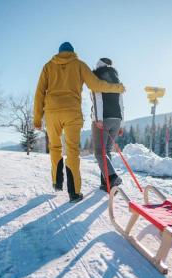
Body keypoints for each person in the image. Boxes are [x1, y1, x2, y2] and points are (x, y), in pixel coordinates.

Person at [34, 42, 125, 203]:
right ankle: (74, 193)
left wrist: (37, 118)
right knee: (72, 151)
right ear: (72, 52)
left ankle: (57, 182)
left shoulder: (48, 66)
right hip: (72, 112)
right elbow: (96, 85)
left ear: (59, 52)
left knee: (55, 147)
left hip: (52, 113)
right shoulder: (79, 65)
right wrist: (117, 88)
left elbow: (39, 93)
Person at [90, 58, 124, 192]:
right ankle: (106, 184)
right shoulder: (116, 80)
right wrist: (121, 123)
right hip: (116, 119)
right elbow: (121, 103)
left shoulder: (97, 77)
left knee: (99, 151)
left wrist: (98, 118)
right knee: (107, 151)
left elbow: (97, 98)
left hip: (103, 118)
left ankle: (112, 177)